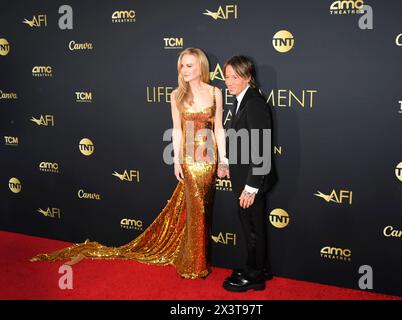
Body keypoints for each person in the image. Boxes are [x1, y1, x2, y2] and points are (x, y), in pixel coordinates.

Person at [30, 48, 228, 279]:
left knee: (202, 208)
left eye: (189, 65)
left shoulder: (215, 93)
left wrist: (223, 159)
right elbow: (176, 130)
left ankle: (193, 258)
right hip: (188, 158)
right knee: (197, 209)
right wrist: (176, 160)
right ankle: (195, 264)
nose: (184, 70)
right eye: (182, 65)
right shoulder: (176, 95)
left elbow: (219, 129)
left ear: (201, 67)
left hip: (208, 158)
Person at [220, 55, 277, 292]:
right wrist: (226, 162)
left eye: (235, 77)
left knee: (252, 228)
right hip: (244, 176)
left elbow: (261, 148)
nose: (229, 82)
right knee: (253, 225)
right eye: (227, 77)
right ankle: (260, 268)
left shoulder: (253, 103)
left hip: (251, 181)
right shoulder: (242, 99)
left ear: (247, 77)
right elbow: (241, 140)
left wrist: (251, 187)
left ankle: (254, 275)